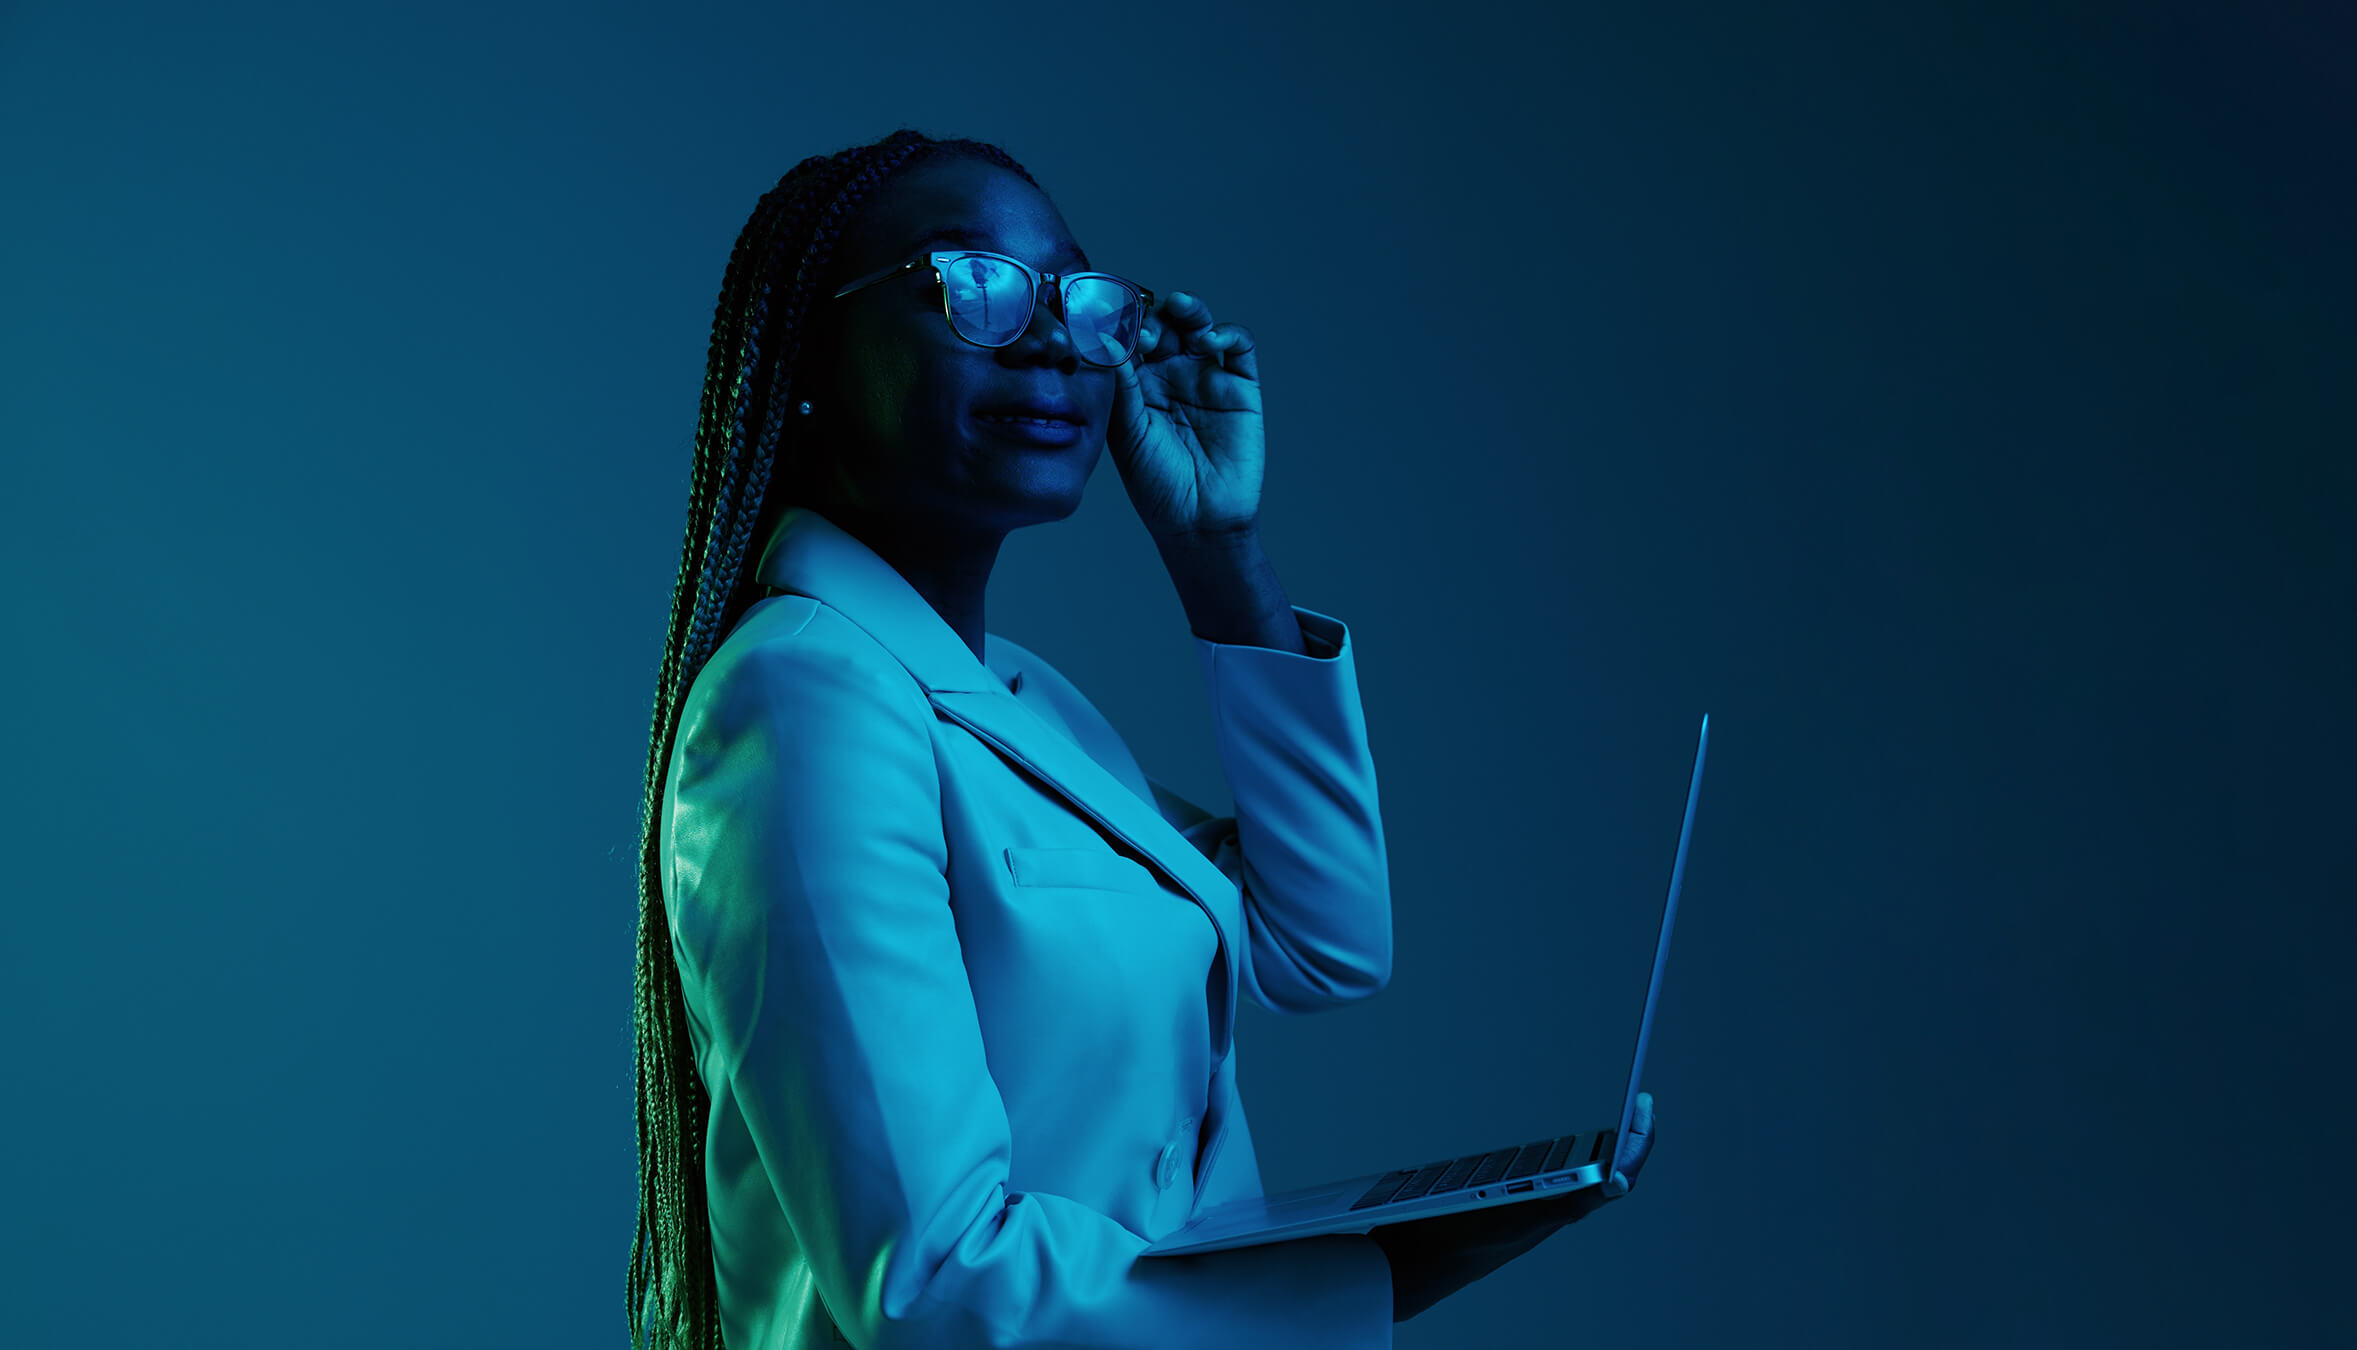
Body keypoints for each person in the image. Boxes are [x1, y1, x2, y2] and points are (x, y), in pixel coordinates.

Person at [624, 127, 1655, 1350]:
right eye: (977, 287)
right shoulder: (802, 702)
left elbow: (1323, 942)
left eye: (1077, 293)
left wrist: (1218, 552)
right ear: (812, 353)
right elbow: (938, 1284)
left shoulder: (1023, 704)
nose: (1055, 334)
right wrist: (1382, 1269)